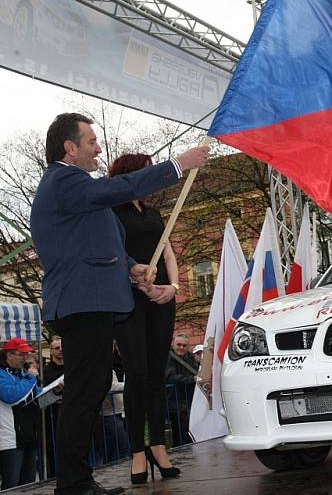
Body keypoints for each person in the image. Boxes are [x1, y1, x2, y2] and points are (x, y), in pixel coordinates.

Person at [29, 112, 209, 495]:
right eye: (91, 141)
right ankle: (73, 485)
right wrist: (178, 165)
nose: (97, 148)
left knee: (90, 389)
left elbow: (103, 246)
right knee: (84, 392)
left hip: (92, 301)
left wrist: (132, 268)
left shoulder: (76, 191)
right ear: (70, 147)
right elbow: (119, 188)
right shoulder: (65, 180)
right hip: (82, 302)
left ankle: (76, 482)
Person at [109, 153, 183, 484]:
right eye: (145, 170)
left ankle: (158, 445)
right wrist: (136, 279)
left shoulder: (153, 212)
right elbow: (112, 255)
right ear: (130, 175)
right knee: (137, 375)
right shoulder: (112, 212)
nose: (152, 175)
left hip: (162, 299)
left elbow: (167, 253)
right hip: (130, 300)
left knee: (156, 375)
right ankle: (137, 451)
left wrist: (173, 287)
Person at [0, 339, 41, 490]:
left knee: (29, 484)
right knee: (11, 484)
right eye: (22, 354)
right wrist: (30, 378)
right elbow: (11, 396)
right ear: (9, 355)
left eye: (27, 354)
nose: (26, 358)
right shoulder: (2, 374)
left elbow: (37, 398)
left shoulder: (23, 373)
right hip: (11, 438)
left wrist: (55, 392)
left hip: (29, 434)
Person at [165, 333, 198, 448]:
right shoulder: (167, 358)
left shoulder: (190, 357)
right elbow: (170, 377)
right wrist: (191, 380)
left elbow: (196, 371)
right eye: (178, 344)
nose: (181, 347)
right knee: (180, 432)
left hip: (188, 400)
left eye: (184, 345)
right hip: (173, 401)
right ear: (173, 344)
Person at [42, 337, 64, 478]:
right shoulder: (46, 371)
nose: (61, 351)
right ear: (50, 351)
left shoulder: (72, 367)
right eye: (57, 348)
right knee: (55, 446)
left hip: (71, 413)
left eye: (62, 347)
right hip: (53, 415)